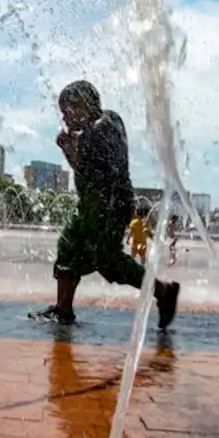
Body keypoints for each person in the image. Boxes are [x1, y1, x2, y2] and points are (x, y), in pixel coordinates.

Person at [32, 80, 180, 328]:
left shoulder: (97, 131)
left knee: (108, 260)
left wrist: (69, 149)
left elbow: (87, 170)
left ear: (82, 105)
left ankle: (162, 290)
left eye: (67, 110)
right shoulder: (111, 120)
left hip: (107, 206)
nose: (64, 117)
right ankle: (63, 309)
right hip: (92, 205)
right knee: (68, 247)